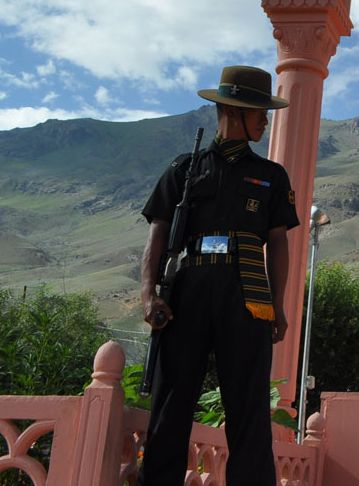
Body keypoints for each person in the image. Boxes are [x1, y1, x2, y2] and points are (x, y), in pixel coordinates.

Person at [138, 65, 299, 486]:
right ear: (233, 109)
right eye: (258, 110)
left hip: (247, 295)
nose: (266, 119)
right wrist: (147, 295)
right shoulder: (184, 169)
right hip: (186, 292)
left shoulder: (271, 176)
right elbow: (157, 236)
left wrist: (277, 304)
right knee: (171, 402)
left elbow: (278, 244)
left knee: (248, 409)